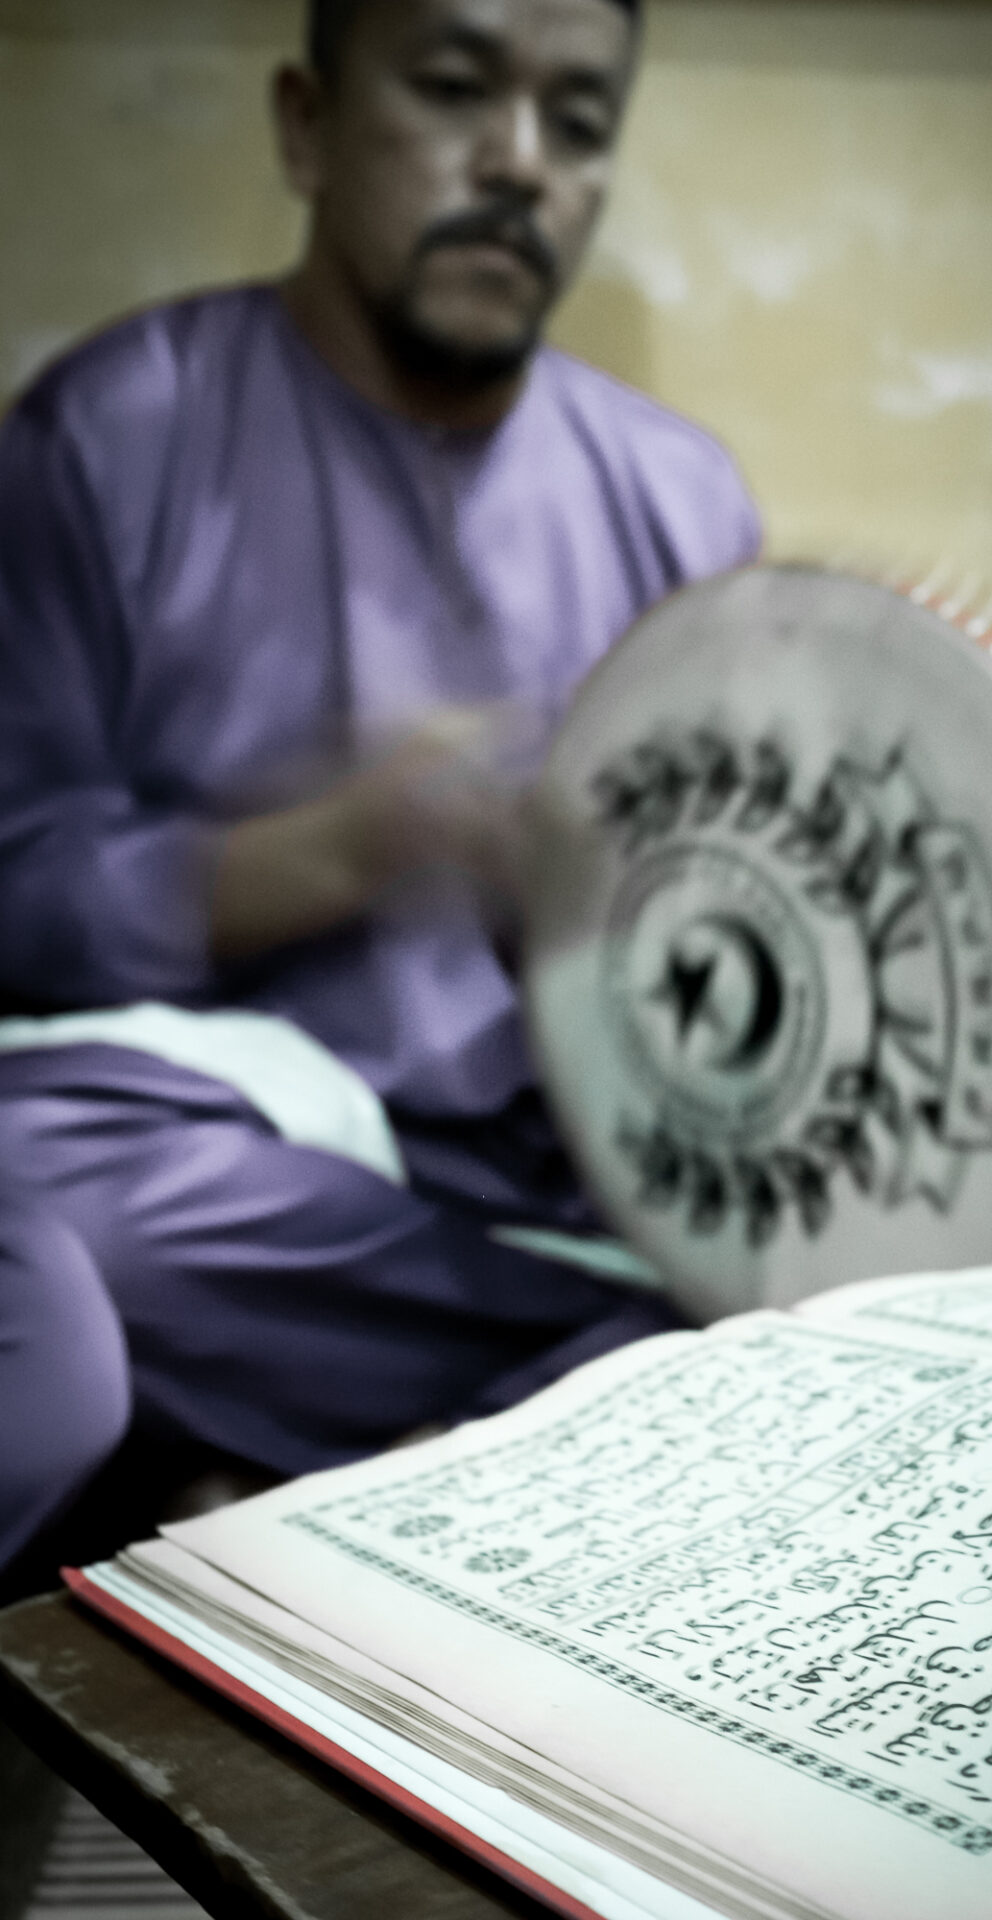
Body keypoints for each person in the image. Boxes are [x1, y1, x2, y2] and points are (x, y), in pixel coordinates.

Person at [0, 0, 761, 1575]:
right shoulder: (111, 434)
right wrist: (342, 850)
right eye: (456, 89)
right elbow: (21, 896)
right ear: (305, 125)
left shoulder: (681, 505)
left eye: (580, 119)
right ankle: (505, 1448)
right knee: (70, 1238)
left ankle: (307, 1474)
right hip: (215, 1170)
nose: (519, 165)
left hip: (546, 1198)